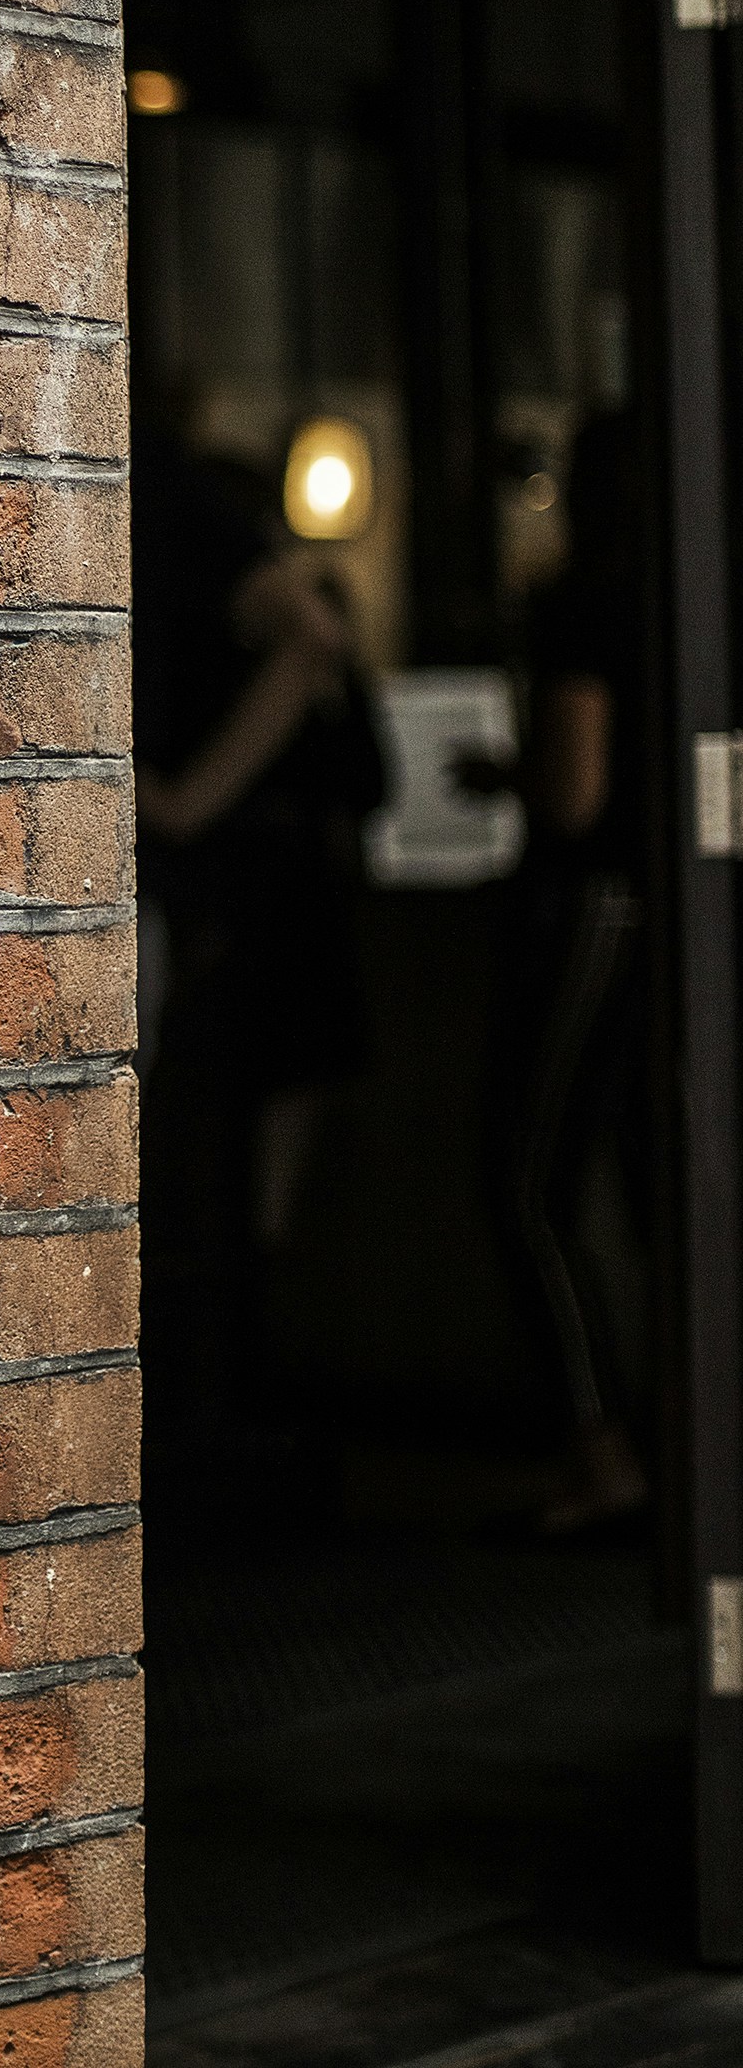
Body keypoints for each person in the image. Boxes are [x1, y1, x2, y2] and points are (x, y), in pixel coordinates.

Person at [134, 418, 388, 1503]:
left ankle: (220, 1424)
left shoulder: (180, 512)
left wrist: (182, 801)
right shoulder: (171, 511)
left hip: (239, 910)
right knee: (213, 1176)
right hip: (244, 906)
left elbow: (311, 644)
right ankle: (221, 1416)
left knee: (210, 1172)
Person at [479, 412, 650, 1536]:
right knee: (640, 1184)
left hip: (591, 904)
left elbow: (576, 793)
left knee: (526, 1183)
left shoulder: (585, 599)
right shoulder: (679, 586)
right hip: (655, 908)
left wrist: (509, 769)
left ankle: (600, 1453)